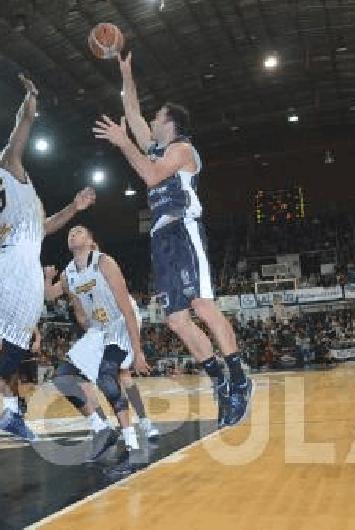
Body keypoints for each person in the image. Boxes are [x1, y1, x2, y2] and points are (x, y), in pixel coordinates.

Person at [92, 52, 252, 427]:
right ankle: (219, 382)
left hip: (183, 229)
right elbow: (131, 111)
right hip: (161, 237)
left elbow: (149, 175)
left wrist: (122, 143)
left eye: (156, 117)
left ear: (170, 123)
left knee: (201, 304)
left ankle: (240, 379)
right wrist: (125, 70)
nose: (149, 121)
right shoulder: (158, 145)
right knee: (176, 320)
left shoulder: (182, 150)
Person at [0, 74, 96, 455]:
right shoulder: (8, 169)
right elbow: (22, 129)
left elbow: (45, 228)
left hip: (16, 263)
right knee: (15, 349)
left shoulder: (16, 198)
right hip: (18, 267)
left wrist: (75, 208)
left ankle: (12, 411)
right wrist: (30, 101)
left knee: (15, 347)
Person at [44, 226, 151, 473]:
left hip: (122, 322)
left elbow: (126, 306)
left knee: (106, 375)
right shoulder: (69, 272)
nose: (73, 234)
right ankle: (102, 428)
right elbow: (50, 295)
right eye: (70, 232)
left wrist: (138, 350)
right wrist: (48, 277)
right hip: (99, 328)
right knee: (64, 377)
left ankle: (133, 447)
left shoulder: (104, 262)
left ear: (91, 241)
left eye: (79, 231)